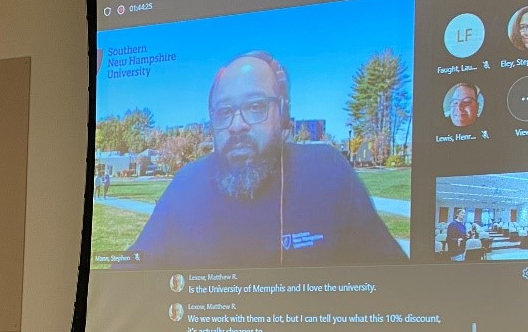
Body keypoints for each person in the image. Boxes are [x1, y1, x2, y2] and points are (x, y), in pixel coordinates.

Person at [124, 52, 405, 268]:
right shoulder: (186, 185)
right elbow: (127, 276)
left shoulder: (328, 173)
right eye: (224, 112)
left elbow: (395, 283)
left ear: (282, 114)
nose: (237, 125)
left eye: (255, 106)